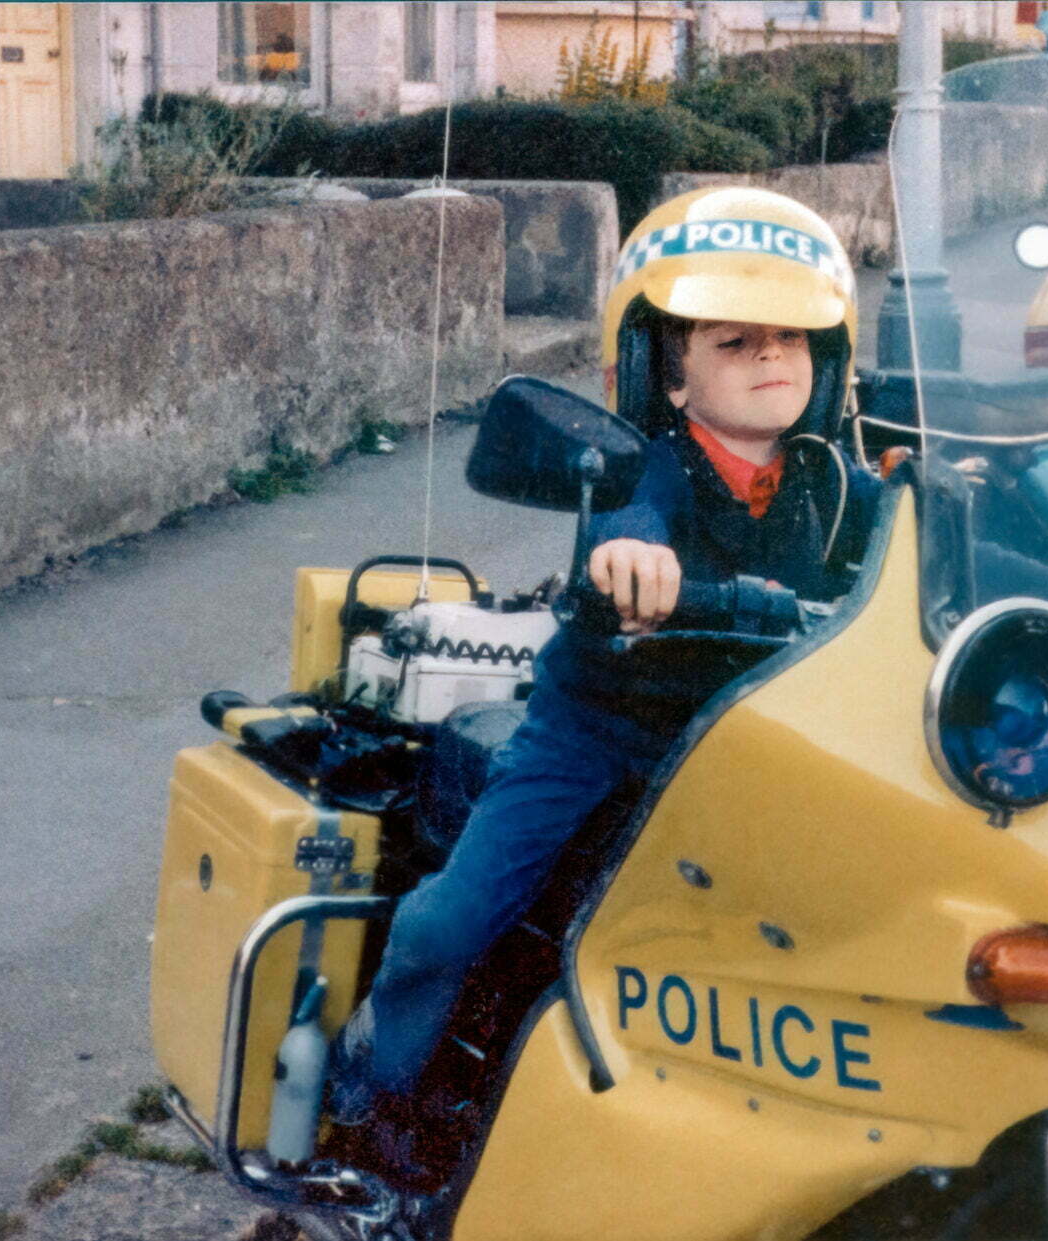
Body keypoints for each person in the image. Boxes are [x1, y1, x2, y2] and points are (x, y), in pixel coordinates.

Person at [327, 186, 879, 1126]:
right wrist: (627, 555)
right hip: (600, 729)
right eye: (734, 342)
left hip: (754, 739)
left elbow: (920, 531)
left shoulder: (833, 483)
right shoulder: (649, 467)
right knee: (456, 914)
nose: (770, 358)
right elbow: (631, 515)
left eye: (789, 339)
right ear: (671, 377)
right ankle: (372, 1072)